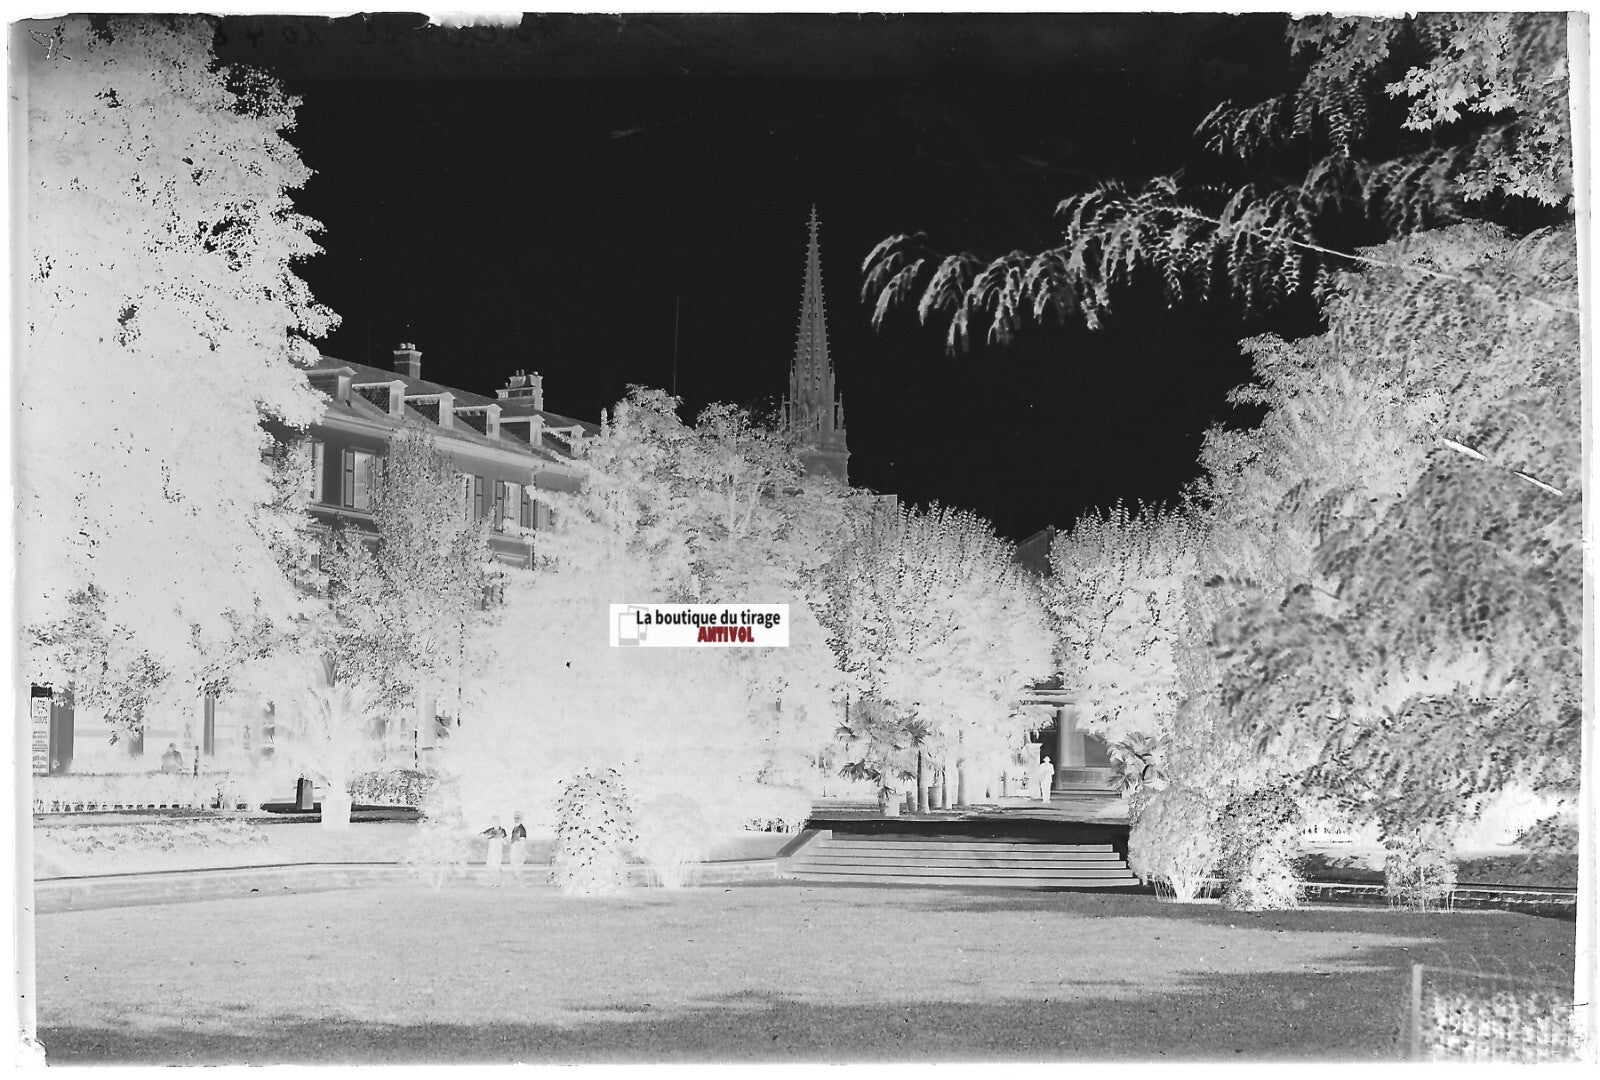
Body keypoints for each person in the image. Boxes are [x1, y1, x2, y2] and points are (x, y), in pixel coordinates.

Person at [481, 816, 507, 886]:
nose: (495, 823)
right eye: (494, 822)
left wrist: (499, 838)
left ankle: (499, 881)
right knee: (492, 867)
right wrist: (487, 836)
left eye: (497, 822)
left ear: (499, 822)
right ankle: (494, 882)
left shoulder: (502, 831)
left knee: (497, 867)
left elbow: (505, 842)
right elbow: (483, 835)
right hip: (491, 851)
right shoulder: (490, 830)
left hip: (498, 851)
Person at [507, 811, 528, 885]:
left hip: (518, 851)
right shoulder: (515, 828)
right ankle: (520, 884)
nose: (516, 818)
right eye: (515, 817)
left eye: (517, 817)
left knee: (518, 868)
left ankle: (522, 884)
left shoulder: (521, 829)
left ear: (521, 818)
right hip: (515, 850)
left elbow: (522, 842)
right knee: (516, 868)